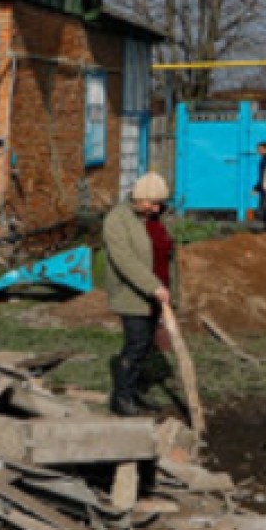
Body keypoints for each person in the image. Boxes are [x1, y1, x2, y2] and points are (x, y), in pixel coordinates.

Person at [102, 173, 175, 417]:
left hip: (156, 293)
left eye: (159, 204)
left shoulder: (156, 218)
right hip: (132, 293)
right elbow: (124, 260)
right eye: (151, 203)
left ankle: (133, 392)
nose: (156, 208)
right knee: (136, 345)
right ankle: (121, 398)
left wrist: (165, 289)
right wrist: (152, 286)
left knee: (144, 347)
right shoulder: (117, 220)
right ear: (138, 198)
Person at [251, 141, 266, 223]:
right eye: (258, 149)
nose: (258, 151)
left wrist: (256, 188)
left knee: (264, 207)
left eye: (260, 149)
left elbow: (264, 176)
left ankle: (262, 226)